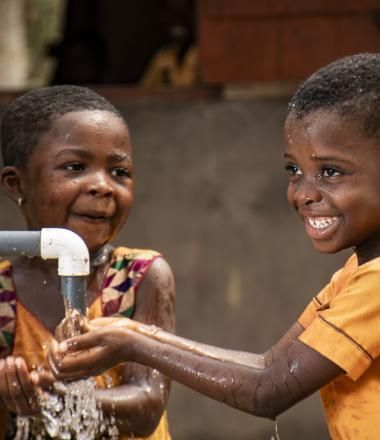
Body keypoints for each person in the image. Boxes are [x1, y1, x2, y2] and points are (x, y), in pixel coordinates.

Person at [48, 52, 380, 440]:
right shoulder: (356, 275)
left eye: (330, 172)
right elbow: (270, 365)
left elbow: (269, 388)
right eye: (294, 170)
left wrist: (132, 340)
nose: (303, 193)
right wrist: (131, 336)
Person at [0, 85, 175, 439]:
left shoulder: (139, 277)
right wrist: (12, 393)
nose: (102, 186)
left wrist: (55, 395)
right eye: (75, 167)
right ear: (17, 185)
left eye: (119, 172)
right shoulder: (4, 292)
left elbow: (147, 405)